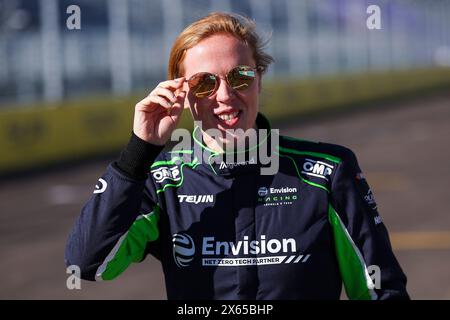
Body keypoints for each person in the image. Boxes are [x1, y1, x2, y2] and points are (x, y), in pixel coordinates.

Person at [65, 12, 409, 300]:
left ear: (259, 78)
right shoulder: (160, 180)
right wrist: (138, 153)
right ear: (181, 92)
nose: (225, 97)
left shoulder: (326, 172)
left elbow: (380, 290)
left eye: (240, 76)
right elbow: (88, 265)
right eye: (204, 84)